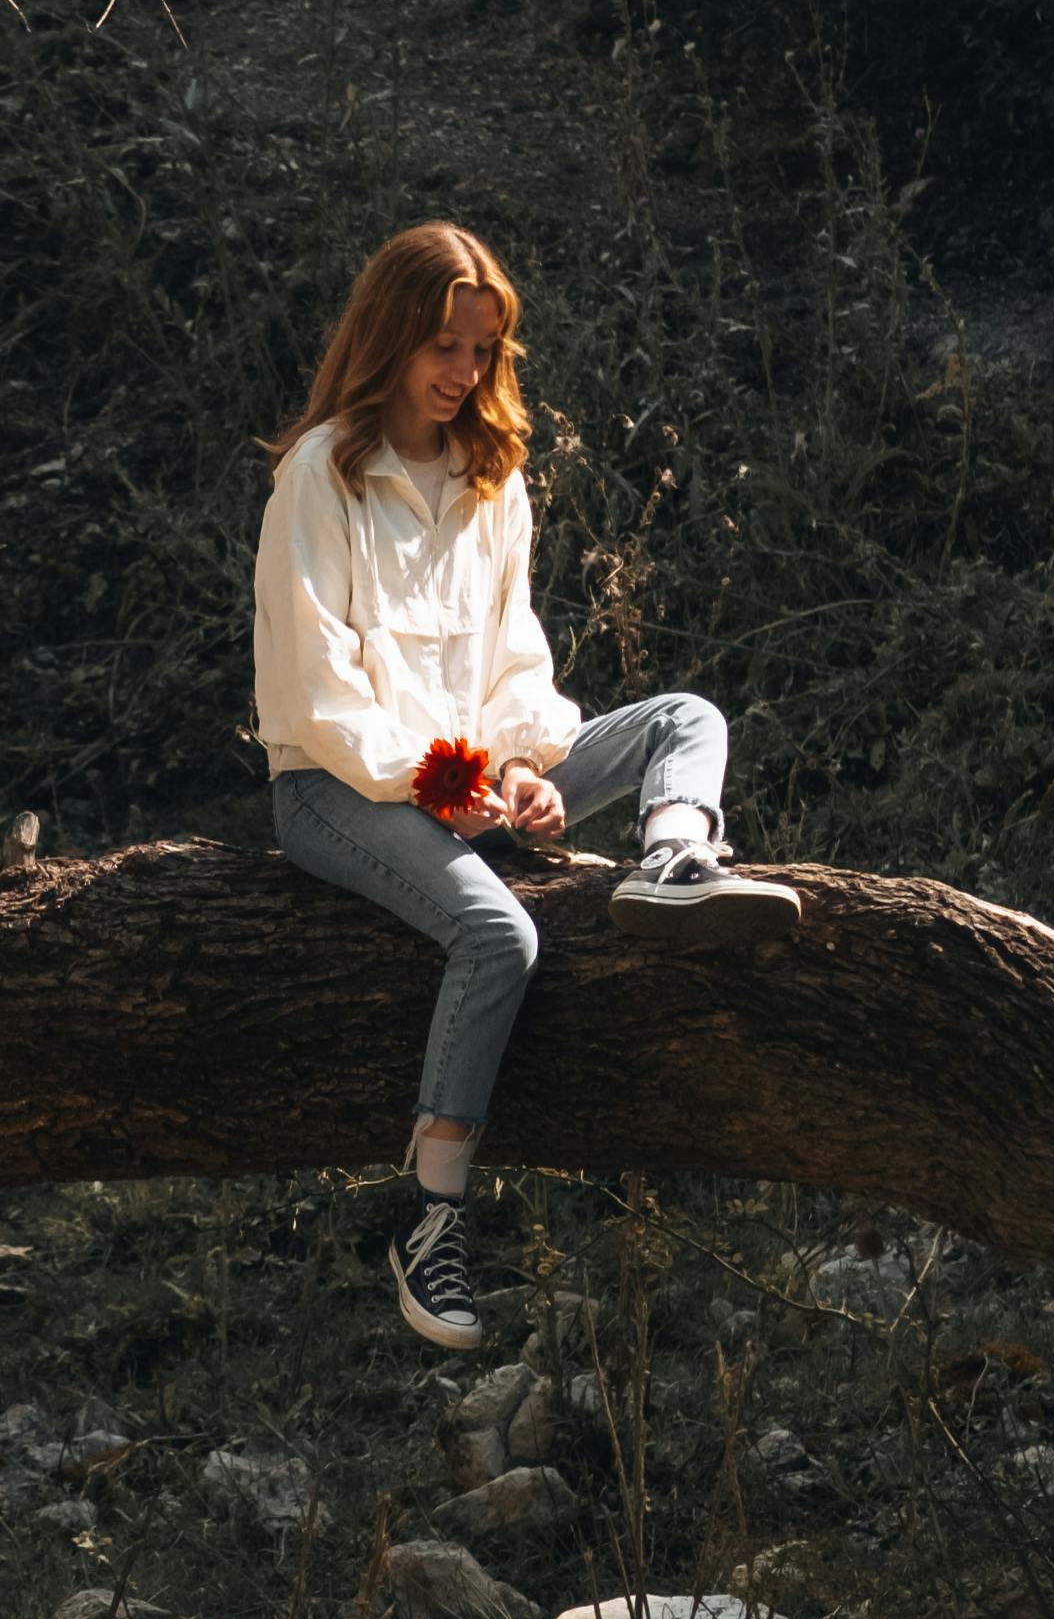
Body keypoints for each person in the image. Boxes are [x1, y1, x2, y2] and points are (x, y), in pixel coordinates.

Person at [253, 222, 797, 1350]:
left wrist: (521, 770)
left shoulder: (493, 482)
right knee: (501, 937)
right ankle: (434, 1219)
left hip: (466, 782)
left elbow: (512, 666)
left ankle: (673, 862)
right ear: (392, 335)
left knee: (684, 718)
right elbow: (318, 695)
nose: (461, 372)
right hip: (335, 791)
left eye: (481, 350)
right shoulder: (322, 476)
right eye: (443, 346)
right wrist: (449, 779)